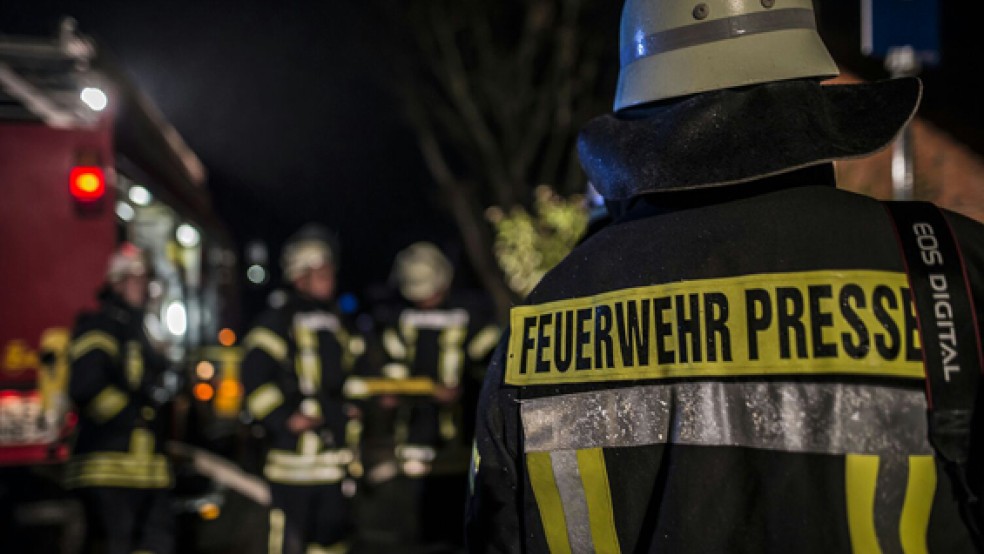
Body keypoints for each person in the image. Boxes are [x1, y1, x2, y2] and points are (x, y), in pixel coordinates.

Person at [466, 0, 984, 552]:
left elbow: (497, 531)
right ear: (813, 100)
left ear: (636, 125)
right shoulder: (949, 266)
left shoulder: (546, 315)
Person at [348, 242, 499, 551]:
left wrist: (464, 391)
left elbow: (492, 368)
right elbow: (389, 366)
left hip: (460, 448)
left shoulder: (474, 317)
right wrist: (392, 392)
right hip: (413, 449)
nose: (425, 300)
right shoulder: (399, 322)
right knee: (417, 535)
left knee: (459, 534)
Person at [241, 224, 359, 554]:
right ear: (300, 275)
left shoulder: (337, 323)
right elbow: (254, 377)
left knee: (333, 542)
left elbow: (353, 374)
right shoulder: (277, 322)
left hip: (334, 460)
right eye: (322, 272)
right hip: (291, 465)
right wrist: (284, 418)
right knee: (290, 541)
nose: (330, 278)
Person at [67, 243, 176, 554]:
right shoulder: (100, 327)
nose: (145, 289)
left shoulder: (138, 330)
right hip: (108, 469)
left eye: (146, 281)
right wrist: (134, 418)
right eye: (138, 280)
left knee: (158, 543)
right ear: (117, 282)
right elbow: (86, 387)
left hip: (148, 472)